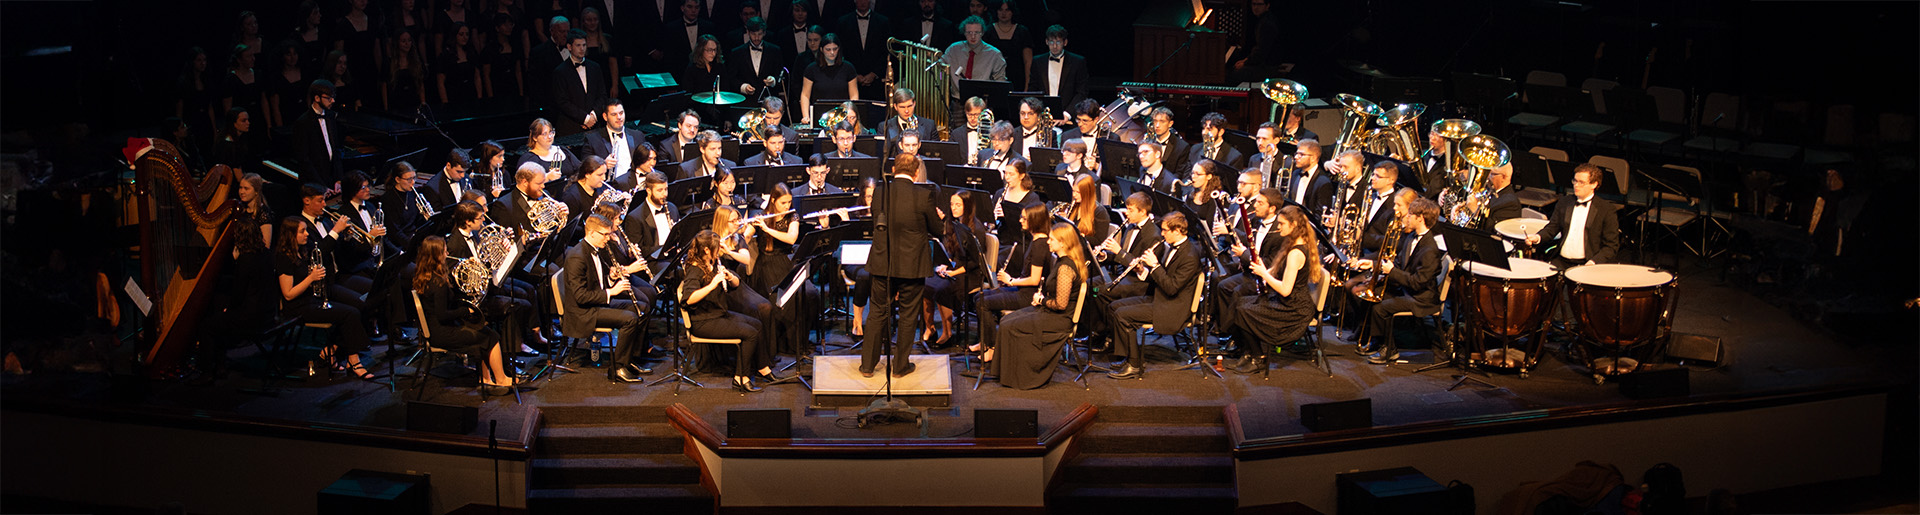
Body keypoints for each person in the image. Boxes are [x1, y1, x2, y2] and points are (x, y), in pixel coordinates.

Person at [857, 154, 943, 378]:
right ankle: (900, 366)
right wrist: (939, 219)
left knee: (876, 312)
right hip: (912, 266)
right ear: (916, 173)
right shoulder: (924, 195)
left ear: (894, 169)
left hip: (882, 263)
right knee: (907, 315)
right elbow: (938, 230)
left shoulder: (879, 192)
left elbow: (878, 221)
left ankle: (867, 366)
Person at [681, 230, 791, 392]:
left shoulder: (711, 263)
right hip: (704, 321)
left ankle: (763, 368)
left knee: (757, 324)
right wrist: (712, 284)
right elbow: (688, 299)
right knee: (750, 333)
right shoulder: (695, 269)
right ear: (706, 250)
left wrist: (729, 277)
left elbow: (736, 285)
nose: (720, 250)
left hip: (718, 314)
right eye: (717, 247)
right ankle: (741, 377)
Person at [412, 236, 523, 391]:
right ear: (437, 256)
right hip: (442, 333)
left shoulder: (427, 276)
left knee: (484, 331)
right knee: (491, 337)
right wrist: (466, 310)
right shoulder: (438, 284)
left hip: (437, 328)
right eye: (444, 251)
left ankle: (486, 378)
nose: (447, 252)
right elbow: (443, 315)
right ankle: (501, 378)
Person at [1222, 204, 1321, 375]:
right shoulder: (1291, 244)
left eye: (1282, 224)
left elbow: (1285, 290)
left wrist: (1263, 274)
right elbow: (1278, 272)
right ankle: (1248, 352)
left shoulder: (1296, 253)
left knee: (1244, 310)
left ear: (1294, 226)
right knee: (1241, 302)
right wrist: (1263, 268)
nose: (1278, 226)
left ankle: (1258, 357)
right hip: (1288, 301)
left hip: (1294, 309)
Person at [985, 222, 1085, 389]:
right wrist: (1042, 298)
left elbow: (1060, 304)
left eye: (1051, 239)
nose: (1048, 242)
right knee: (1005, 321)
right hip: (1051, 311)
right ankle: (1004, 372)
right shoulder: (1062, 261)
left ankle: (1018, 377)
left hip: (1059, 318)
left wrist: (1041, 300)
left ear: (1062, 243)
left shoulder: (1066, 268)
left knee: (1011, 326)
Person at [274, 216, 375, 378]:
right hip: (298, 307)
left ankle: (332, 351)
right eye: (302, 231)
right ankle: (354, 362)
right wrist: (311, 278)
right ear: (290, 235)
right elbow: (288, 294)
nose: (307, 234)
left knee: (357, 307)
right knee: (350, 314)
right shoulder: (283, 258)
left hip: (313, 299)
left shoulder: (303, 250)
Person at [1105, 211, 1199, 380]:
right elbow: (1159, 278)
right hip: (1158, 297)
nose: (1161, 234)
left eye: (1164, 230)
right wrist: (1142, 269)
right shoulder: (1171, 246)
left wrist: (1155, 265)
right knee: (1114, 306)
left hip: (1172, 306)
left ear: (1177, 231)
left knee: (1122, 315)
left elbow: (1171, 288)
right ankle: (1127, 355)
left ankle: (1134, 364)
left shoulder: (1190, 256)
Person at [1349, 198, 1444, 364]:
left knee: (1381, 308)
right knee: (1374, 296)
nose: (1406, 217)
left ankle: (1390, 349)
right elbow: (1399, 264)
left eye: (1410, 215)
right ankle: (1377, 341)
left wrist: (1392, 271)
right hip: (1408, 290)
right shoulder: (1412, 237)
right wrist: (1374, 266)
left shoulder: (1430, 250)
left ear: (1420, 218)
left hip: (1421, 299)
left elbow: (1417, 282)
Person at [564, 214, 650, 383]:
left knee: (641, 307)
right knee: (630, 319)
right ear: (592, 233)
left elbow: (596, 284)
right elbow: (581, 296)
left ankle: (628, 360)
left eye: (609, 234)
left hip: (595, 304)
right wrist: (612, 291)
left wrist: (610, 278)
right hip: (583, 312)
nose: (607, 238)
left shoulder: (595, 250)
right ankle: (617, 368)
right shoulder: (577, 256)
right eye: (604, 234)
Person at [971, 203, 1050, 361]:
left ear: (1034, 220)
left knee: (982, 303)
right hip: (1022, 290)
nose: (1020, 220)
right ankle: (985, 341)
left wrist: (1011, 281)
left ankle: (993, 348)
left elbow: (1035, 279)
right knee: (978, 297)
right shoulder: (1034, 241)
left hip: (1028, 296)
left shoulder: (1040, 246)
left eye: (1024, 218)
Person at [1525, 164, 1620, 267]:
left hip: (1587, 263)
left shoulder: (1605, 209)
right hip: (1560, 260)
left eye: (1581, 182)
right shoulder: (1564, 202)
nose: (1576, 185)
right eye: (1575, 181)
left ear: (1594, 184)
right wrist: (1538, 237)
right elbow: (1552, 228)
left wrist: (1594, 262)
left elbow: (1611, 246)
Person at [927, 189, 984, 346]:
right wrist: (946, 264)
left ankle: (947, 332)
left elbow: (975, 262)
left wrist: (953, 271)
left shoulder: (975, 229)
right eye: (952, 204)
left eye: (958, 205)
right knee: (927, 283)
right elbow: (953, 252)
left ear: (967, 206)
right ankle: (930, 328)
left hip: (970, 274)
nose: (954, 208)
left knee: (942, 289)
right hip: (957, 268)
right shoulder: (955, 224)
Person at [552, 29, 609, 135]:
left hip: (594, 126)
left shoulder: (595, 67)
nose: (582, 49)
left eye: (584, 45)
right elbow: (562, 102)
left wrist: (593, 115)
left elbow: (602, 95)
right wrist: (585, 118)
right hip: (571, 127)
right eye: (578, 45)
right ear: (569, 47)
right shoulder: (560, 71)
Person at [292, 79, 344, 188]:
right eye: (328, 98)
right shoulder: (303, 122)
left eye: (333, 97)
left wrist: (338, 179)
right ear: (316, 98)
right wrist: (321, 186)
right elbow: (304, 159)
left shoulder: (331, 117)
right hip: (314, 184)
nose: (333, 101)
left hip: (332, 180)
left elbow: (337, 149)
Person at [583, 99, 642, 191]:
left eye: (621, 113)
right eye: (614, 114)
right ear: (605, 117)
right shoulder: (593, 140)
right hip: (610, 189)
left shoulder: (637, 135)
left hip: (637, 185)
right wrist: (603, 165)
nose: (619, 117)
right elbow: (584, 169)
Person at [800, 33, 859, 120]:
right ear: (821, 49)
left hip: (843, 115)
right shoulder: (812, 69)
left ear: (839, 49)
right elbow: (805, 95)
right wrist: (806, 116)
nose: (832, 52)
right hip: (820, 115)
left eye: (835, 49)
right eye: (828, 49)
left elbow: (854, 95)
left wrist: (851, 114)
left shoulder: (848, 68)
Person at [1028, 25, 1089, 108]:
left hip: (1068, 114)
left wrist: (1068, 114)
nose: (1055, 46)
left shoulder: (1077, 62)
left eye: (1058, 42)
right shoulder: (1037, 61)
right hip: (1043, 113)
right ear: (1046, 42)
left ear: (1065, 42)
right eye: (1051, 42)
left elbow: (1082, 92)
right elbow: (1033, 89)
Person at [624, 172, 682, 259]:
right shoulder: (635, 217)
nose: (664, 194)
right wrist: (665, 249)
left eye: (666, 189)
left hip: (673, 257)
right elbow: (640, 251)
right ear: (648, 191)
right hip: (654, 261)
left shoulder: (672, 208)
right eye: (660, 190)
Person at [941, 16, 1006, 93]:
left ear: (982, 33)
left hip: (982, 102)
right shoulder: (953, 50)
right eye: (969, 33)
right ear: (964, 33)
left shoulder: (994, 54)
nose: (973, 36)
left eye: (976, 33)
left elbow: (1001, 83)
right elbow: (939, 70)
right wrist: (941, 81)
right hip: (957, 101)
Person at [726, 17, 785, 98]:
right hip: (746, 101)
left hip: (769, 99)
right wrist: (744, 87)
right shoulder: (737, 53)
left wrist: (773, 80)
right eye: (753, 34)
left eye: (759, 34)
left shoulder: (775, 51)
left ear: (764, 33)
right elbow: (731, 78)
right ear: (748, 32)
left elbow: (781, 75)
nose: (756, 38)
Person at [980, 1, 1031, 91]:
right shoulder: (988, 31)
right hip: (993, 77)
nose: (1004, 13)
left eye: (1007, 10)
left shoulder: (1022, 32)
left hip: (1017, 78)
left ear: (1012, 12)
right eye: (1000, 10)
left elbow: (1028, 62)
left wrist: (1027, 87)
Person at [516, 118, 578, 191]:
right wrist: (547, 177)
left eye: (551, 132)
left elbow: (579, 169)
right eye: (544, 134)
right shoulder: (529, 158)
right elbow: (523, 184)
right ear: (535, 137)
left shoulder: (562, 150)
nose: (549, 137)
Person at [1357, 161, 1406, 252]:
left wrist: (1363, 237)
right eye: (1373, 174)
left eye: (1378, 176)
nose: (1372, 178)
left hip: (1374, 255)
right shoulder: (1369, 196)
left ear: (1390, 180)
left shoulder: (1395, 205)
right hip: (1358, 250)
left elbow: (1389, 240)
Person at [432, 24, 480, 106]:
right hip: (454, 97)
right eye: (461, 34)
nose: (465, 37)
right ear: (454, 35)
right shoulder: (445, 56)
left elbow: (477, 77)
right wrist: (445, 103)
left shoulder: (471, 53)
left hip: (471, 95)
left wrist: (479, 97)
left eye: (467, 34)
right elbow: (440, 82)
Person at [880, 88, 938, 156]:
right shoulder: (884, 127)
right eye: (902, 107)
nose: (906, 111)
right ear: (895, 107)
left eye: (909, 106)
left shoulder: (929, 125)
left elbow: (935, 156)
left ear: (914, 104)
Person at [210, 107, 259, 175]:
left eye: (248, 120)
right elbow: (238, 176)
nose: (248, 123)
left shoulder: (239, 139)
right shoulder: (229, 145)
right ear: (233, 123)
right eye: (243, 121)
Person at [1143, 107, 1190, 173]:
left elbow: (1179, 174)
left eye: (1162, 121)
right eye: (1155, 121)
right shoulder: (1147, 143)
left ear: (1170, 124)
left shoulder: (1182, 147)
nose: (1157, 125)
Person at [1480, 162, 1523, 231]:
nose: (1488, 177)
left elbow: (1496, 229)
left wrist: (1476, 214)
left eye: (1492, 174)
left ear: (1503, 177)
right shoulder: (1489, 191)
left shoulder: (1510, 203)